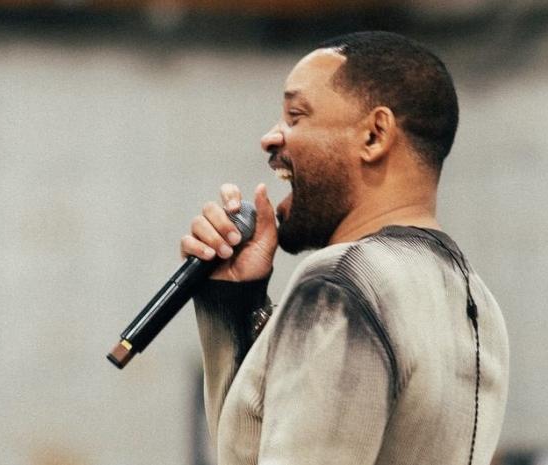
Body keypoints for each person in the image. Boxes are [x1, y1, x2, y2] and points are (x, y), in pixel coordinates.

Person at [181, 31, 509, 465]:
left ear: (374, 135)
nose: (271, 138)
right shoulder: (479, 305)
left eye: (296, 116)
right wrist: (235, 301)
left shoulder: (341, 282)